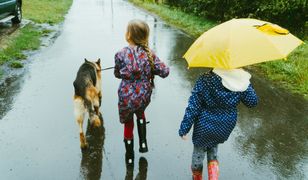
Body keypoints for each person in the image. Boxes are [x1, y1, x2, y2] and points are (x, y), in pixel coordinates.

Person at [179, 68, 258, 180]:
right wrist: (245, 81)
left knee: (198, 153)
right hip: (225, 126)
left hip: (204, 126)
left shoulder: (205, 79)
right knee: (213, 148)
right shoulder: (239, 81)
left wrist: (184, 128)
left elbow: (193, 106)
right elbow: (252, 102)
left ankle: (197, 177)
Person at [114, 19, 169, 166]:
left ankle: (130, 156)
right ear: (145, 36)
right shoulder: (149, 54)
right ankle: (143, 143)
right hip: (143, 97)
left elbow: (117, 74)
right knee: (140, 112)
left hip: (126, 97)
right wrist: (156, 68)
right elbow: (165, 72)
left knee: (128, 124)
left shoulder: (120, 54)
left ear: (129, 35)